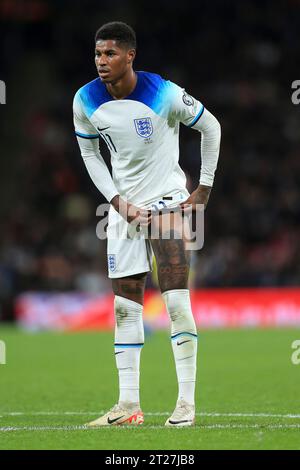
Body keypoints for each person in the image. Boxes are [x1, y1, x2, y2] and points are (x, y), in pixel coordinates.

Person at [73, 21, 221, 427]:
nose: (102, 61)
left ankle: (186, 406)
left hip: (167, 205)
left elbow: (211, 127)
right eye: (98, 54)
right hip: (124, 214)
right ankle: (127, 407)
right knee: (125, 309)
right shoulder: (85, 100)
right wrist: (117, 202)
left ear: (130, 56)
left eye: (110, 54)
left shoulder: (164, 93)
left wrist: (203, 189)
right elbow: (90, 156)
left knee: (175, 303)